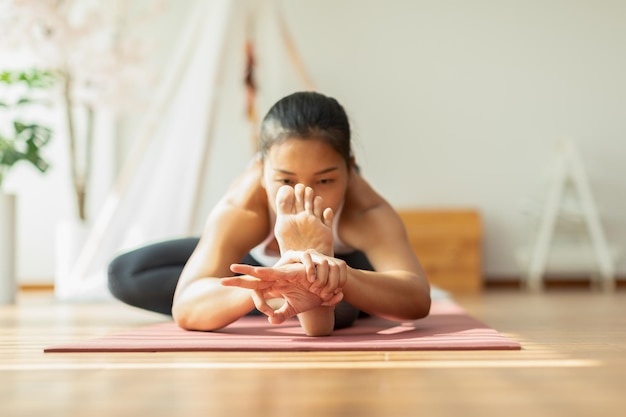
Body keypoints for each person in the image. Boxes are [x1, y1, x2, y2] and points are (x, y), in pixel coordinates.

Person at [108, 91, 431, 336]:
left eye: (325, 180)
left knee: (338, 305)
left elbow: (416, 298)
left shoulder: (365, 211)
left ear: (350, 168)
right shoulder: (245, 205)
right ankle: (286, 299)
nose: (302, 194)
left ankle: (304, 296)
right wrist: (273, 282)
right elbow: (187, 307)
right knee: (126, 273)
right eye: (285, 179)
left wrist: (335, 274)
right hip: (260, 267)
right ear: (261, 169)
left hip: (343, 273)